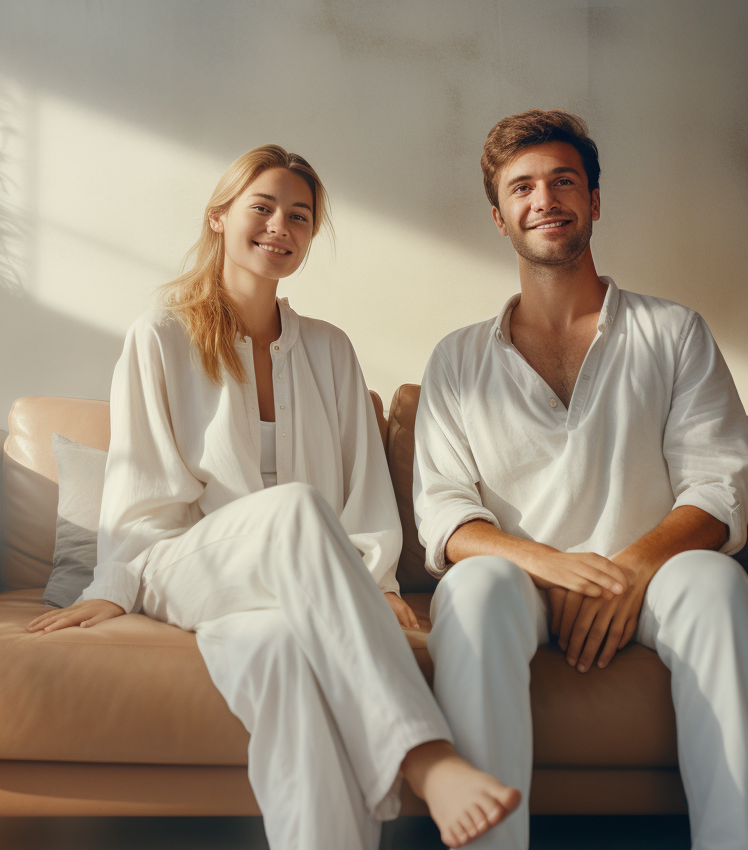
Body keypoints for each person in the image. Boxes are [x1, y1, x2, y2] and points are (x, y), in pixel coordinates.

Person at [26, 144, 519, 850]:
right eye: (263, 208)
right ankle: (424, 758)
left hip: (290, 591)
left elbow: (364, 490)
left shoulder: (330, 350)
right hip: (184, 567)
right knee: (294, 507)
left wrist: (371, 580)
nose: (280, 227)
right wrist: (112, 583)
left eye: (299, 216)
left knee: (289, 666)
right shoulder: (159, 336)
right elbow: (140, 490)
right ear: (220, 217)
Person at [413, 111, 748, 850]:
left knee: (718, 584)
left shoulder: (674, 332)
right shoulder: (456, 361)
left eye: (563, 181)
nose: (544, 199)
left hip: (649, 581)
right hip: (520, 584)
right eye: (523, 187)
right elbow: (445, 515)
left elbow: (715, 489)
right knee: (473, 589)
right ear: (499, 217)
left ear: (594, 201)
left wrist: (626, 571)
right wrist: (550, 564)